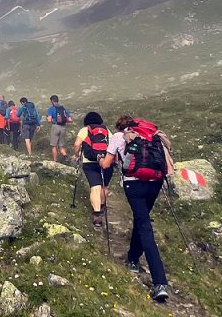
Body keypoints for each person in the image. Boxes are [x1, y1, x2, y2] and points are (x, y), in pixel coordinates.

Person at [98, 115, 174, 303]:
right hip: (155, 183)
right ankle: (133, 258)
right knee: (142, 220)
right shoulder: (152, 136)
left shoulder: (117, 137)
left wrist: (100, 160)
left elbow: (107, 164)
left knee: (144, 227)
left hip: (134, 185)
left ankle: (160, 282)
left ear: (119, 126)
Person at [73, 111, 113, 227]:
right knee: (104, 186)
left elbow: (76, 145)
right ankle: (102, 205)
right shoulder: (106, 130)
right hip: (106, 162)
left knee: (95, 187)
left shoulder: (85, 130)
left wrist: (77, 155)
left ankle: (97, 215)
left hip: (90, 162)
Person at [46, 95, 71, 163]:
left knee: (54, 145)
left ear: (52, 101)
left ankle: (55, 161)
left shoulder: (51, 109)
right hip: (63, 127)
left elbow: (49, 120)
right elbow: (70, 120)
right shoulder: (64, 108)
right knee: (61, 145)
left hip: (55, 127)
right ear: (58, 100)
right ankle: (65, 156)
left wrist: (52, 120)